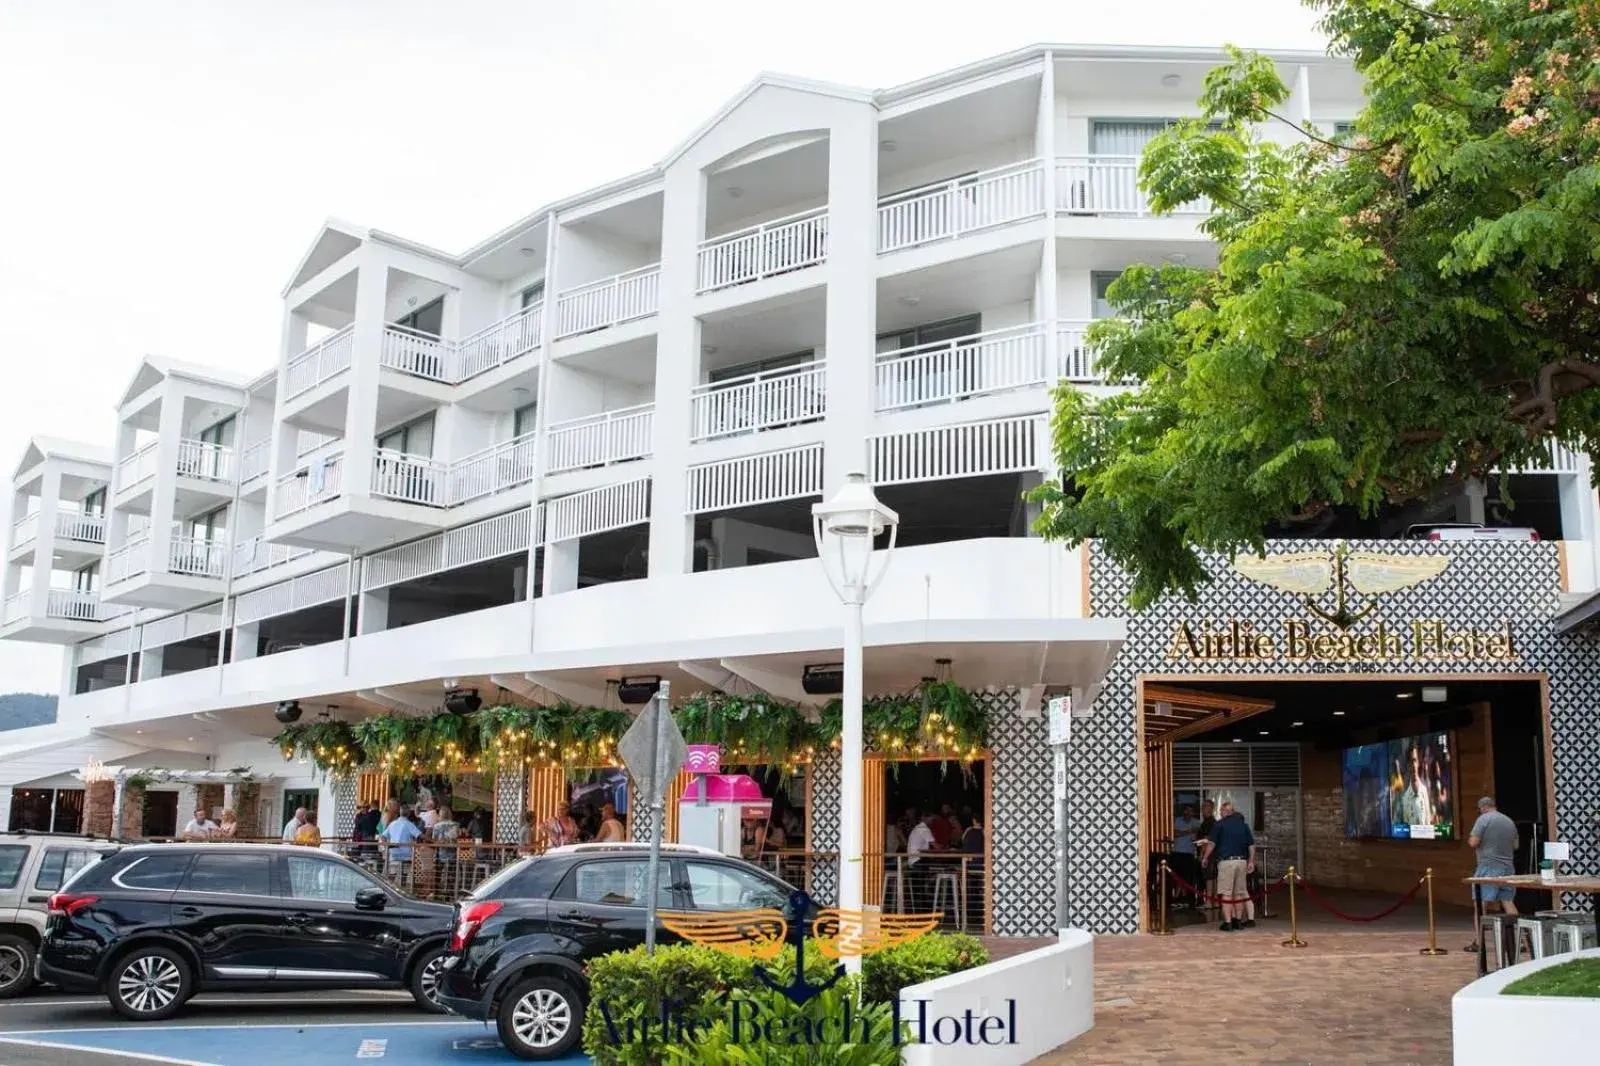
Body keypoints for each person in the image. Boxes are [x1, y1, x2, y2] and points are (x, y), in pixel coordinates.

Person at [1468, 795, 1520, 951]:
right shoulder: (1509, 821)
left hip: (1488, 867)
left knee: (1480, 904)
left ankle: (1479, 942)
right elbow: (1515, 845)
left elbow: (1473, 842)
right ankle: (1519, 940)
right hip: (1508, 868)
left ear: (1483, 808)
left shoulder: (1483, 819)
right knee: (1508, 902)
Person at [1200, 799, 1255, 931]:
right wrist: (1251, 861)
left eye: (1221, 810)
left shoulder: (1219, 824)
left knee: (1226, 893)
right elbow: (1252, 845)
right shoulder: (1243, 825)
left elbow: (1212, 844)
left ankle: (1228, 922)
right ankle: (1238, 921)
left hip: (1226, 862)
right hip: (1242, 862)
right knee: (1239, 893)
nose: (1220, 813)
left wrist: (1205, 857)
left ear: (1226, 811)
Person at [1172, 805, 1201, 906]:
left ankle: (1185, 899)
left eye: (1191, 811)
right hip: (1177, 852)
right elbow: (1174, 834)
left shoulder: (1196, 822)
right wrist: (1188, 831)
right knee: (1177, 876)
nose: (1189, 813)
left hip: (1189, 853)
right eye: (1188, 811)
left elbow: (1197, 834)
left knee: (1188, 877)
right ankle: (1179, 898)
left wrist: (1182, 832)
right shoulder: (1177, 820)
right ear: (1184, 811)